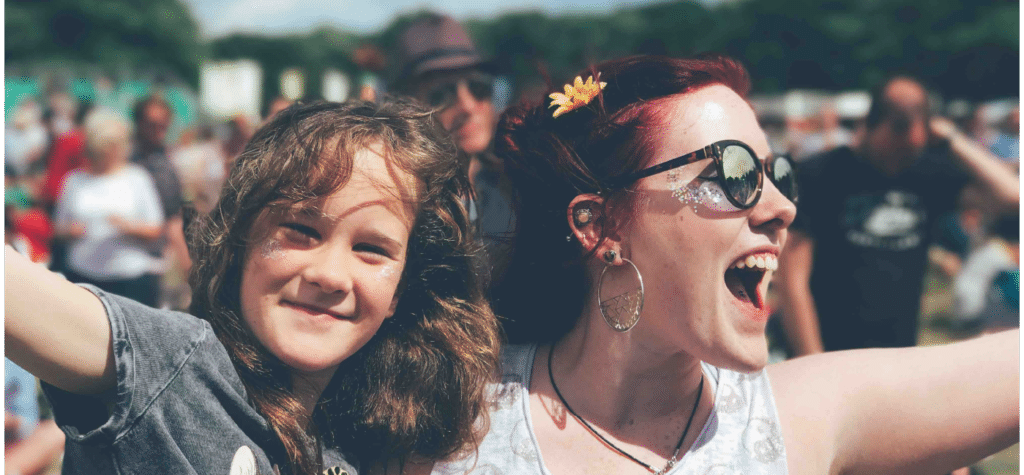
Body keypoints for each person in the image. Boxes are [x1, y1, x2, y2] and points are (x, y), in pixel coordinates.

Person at [418, 55, 1017, 475]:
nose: (782, 206)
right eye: (734, 173)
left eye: (777, 174)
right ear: (597, 224)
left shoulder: (795, 420)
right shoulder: (451, 419)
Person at [5, 100, 502, 475]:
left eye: (373, 249)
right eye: (301, 231)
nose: (329, 274)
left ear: (399, 293)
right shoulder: (176, 367)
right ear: (240, 243)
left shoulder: (364, 449)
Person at [776, 75, 1020, 354]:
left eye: (910, 152)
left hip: (898, 352)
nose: (899, 160)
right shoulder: (820, 174)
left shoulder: (926, 174)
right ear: (869, 125)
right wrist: (813, 362)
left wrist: (953, 138)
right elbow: (793, 283)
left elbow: (1013, 196)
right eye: (894, 148)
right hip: (830, 350)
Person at [392, 13, 516, 281]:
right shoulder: (397, 201)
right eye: (441, 95)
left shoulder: (518, 183)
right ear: (406, 106)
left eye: (479, 88)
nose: (468, 106)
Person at [52, 108, 166, 306]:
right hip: (83, 276)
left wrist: (127, 226)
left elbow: (156, 228)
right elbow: (58, 228)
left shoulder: (137, 178)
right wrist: (71, 231)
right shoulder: (74, 180)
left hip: (130, 278)